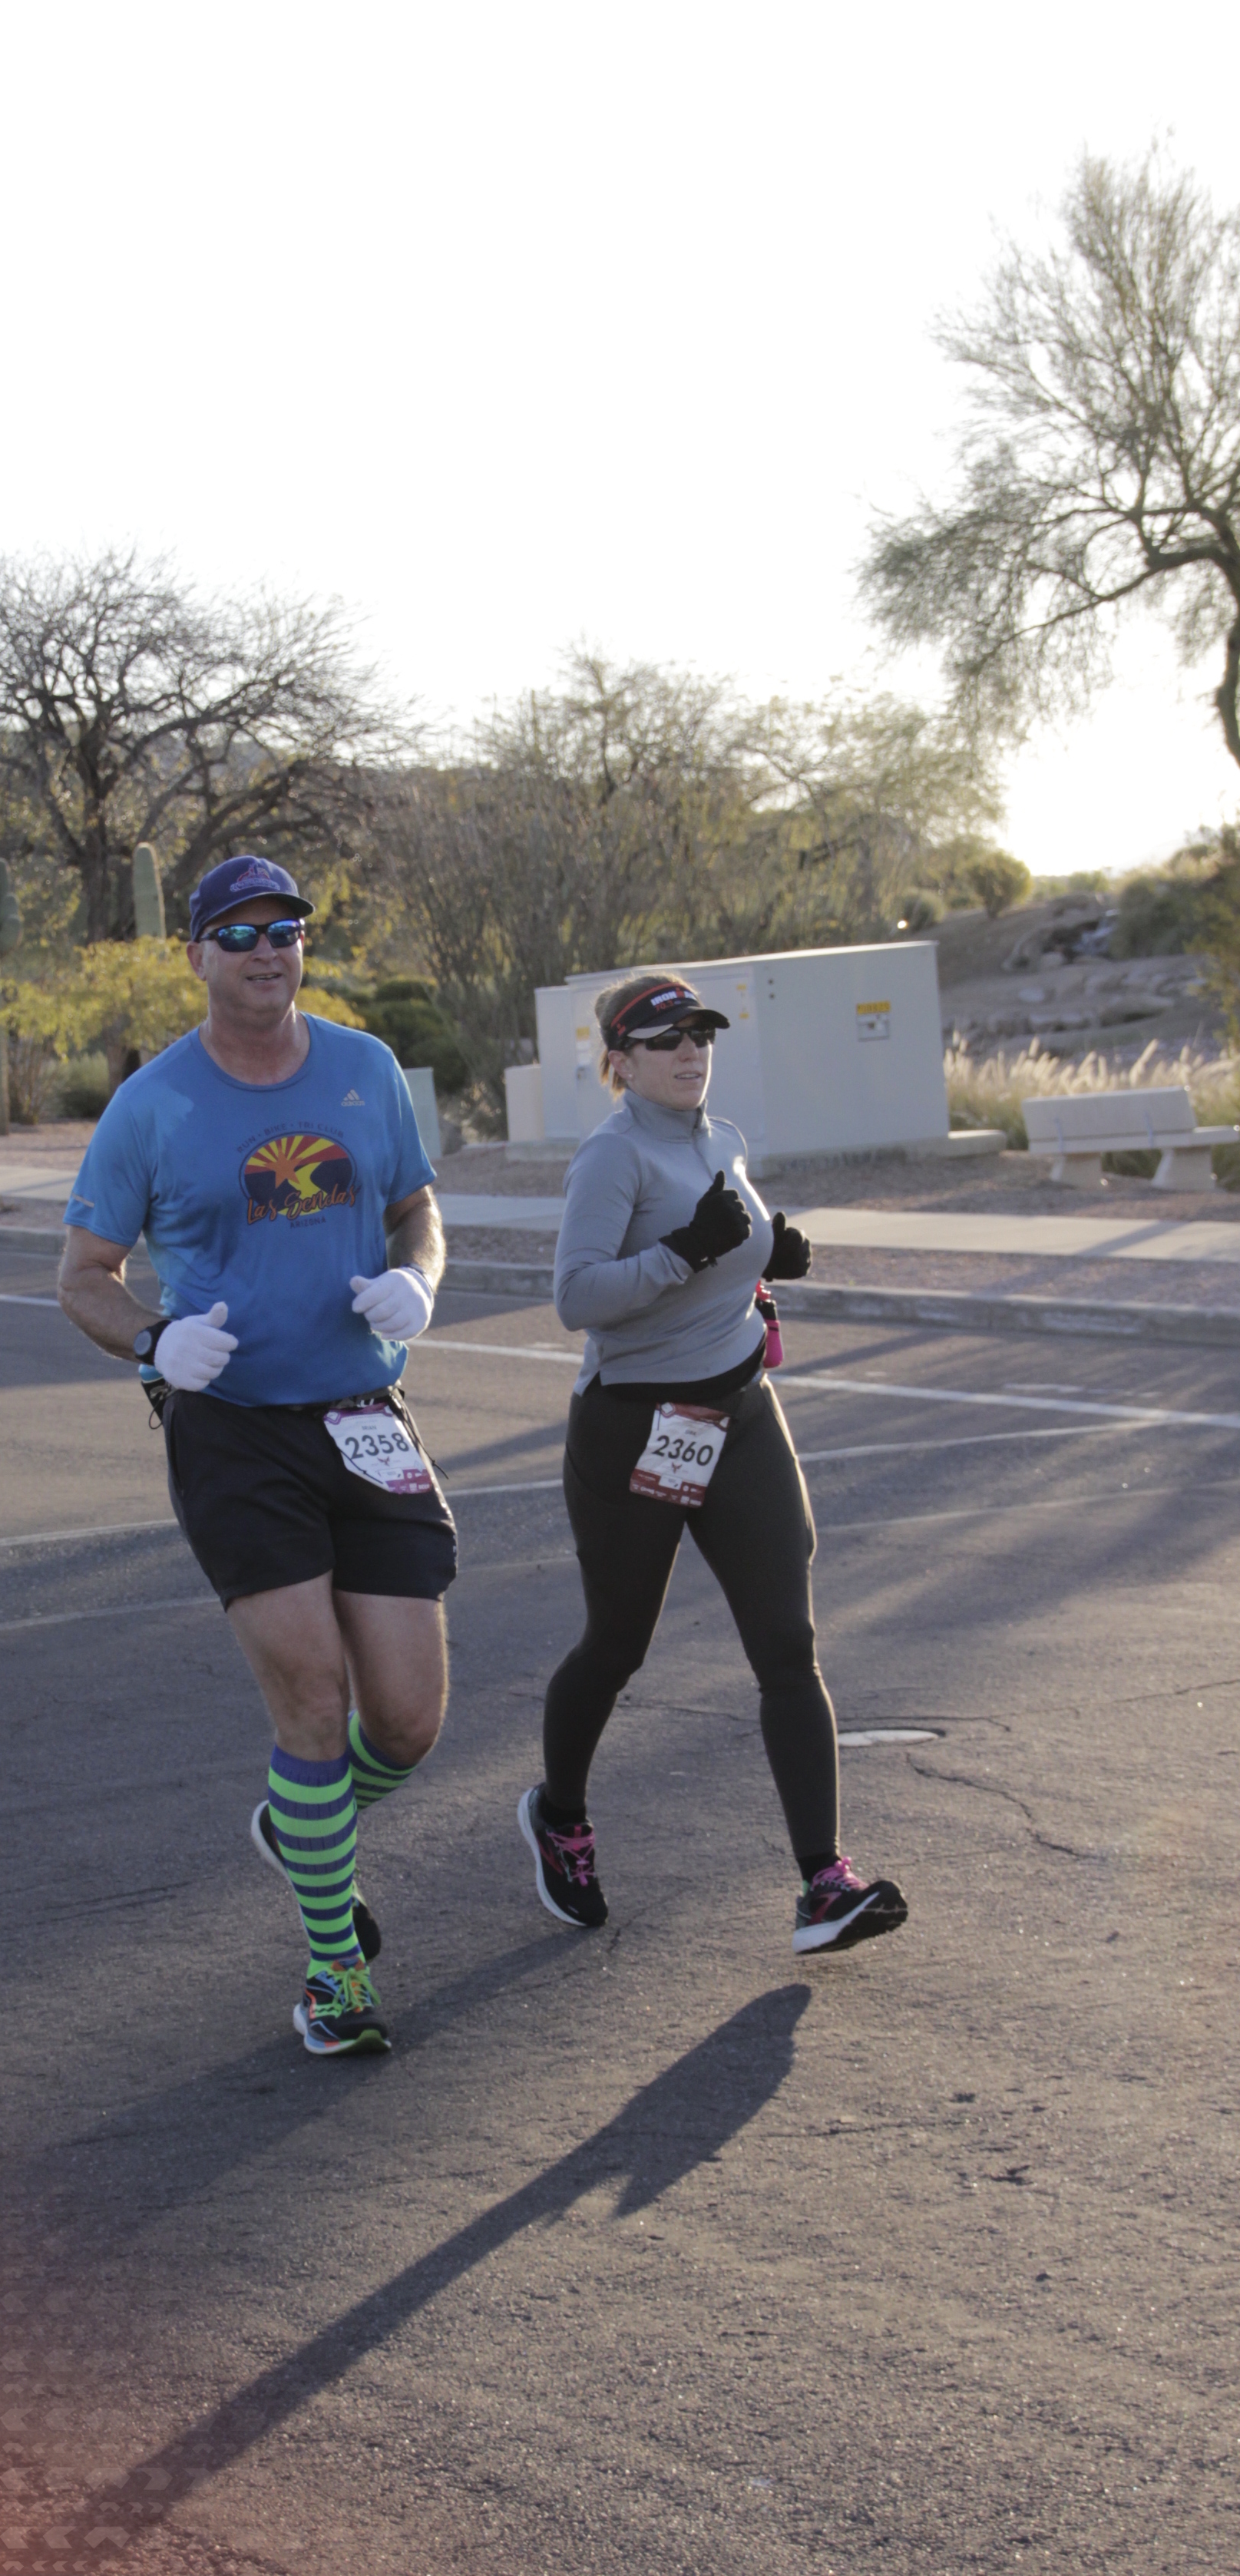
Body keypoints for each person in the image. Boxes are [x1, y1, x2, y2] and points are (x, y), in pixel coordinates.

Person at [58, 855, 456, 2055]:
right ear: (197, 955)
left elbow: (416, 1210)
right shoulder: (153, 1106)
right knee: (313, 1698)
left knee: (409, 1721)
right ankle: (335, 1972)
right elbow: (83, 1277)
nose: (266, 950)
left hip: (364, 1416)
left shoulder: (366, 1068)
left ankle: (303, 1823)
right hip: (233, 1428)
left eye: (284, 929)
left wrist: (418, 1280)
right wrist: (154, 1341)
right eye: (237, 933)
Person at [518, 970, 908, 1957]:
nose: (690, 1051)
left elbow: (730, 1242)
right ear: (619, 1062)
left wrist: (768, 1254)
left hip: (739, 1411)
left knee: (788, 1643)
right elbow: (576, 1298)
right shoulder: (610, 1158)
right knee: (618, 1646)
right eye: (665, 1040)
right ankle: (559, 1816)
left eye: (700, 1034)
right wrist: (685, 1252)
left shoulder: (722, 1139)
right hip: (639, 1425)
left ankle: (824, 1883)